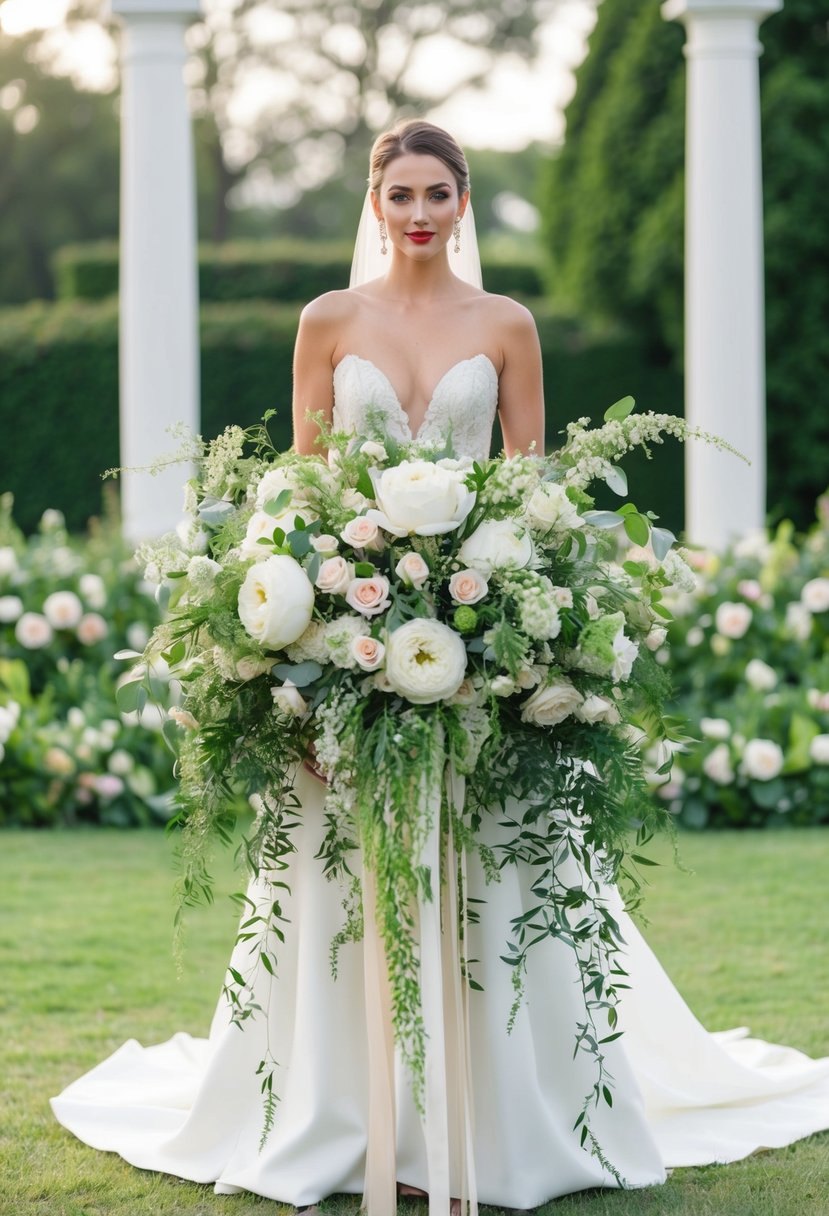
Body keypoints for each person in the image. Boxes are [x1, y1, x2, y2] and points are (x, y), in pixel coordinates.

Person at [52, 120, 829, 1216]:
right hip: (350, 644)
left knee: (497, 887)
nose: (418, 214)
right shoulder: (328, 321)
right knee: (341, 896)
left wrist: (526, 632)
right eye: (399, 193)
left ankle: (500, 1121)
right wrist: (303, 644)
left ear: (463, 204)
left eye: (437, 194)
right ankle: (351, 1121)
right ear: (374, 202)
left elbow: (532, 492)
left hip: (489, 645)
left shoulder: (506, 324)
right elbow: (301, 497)